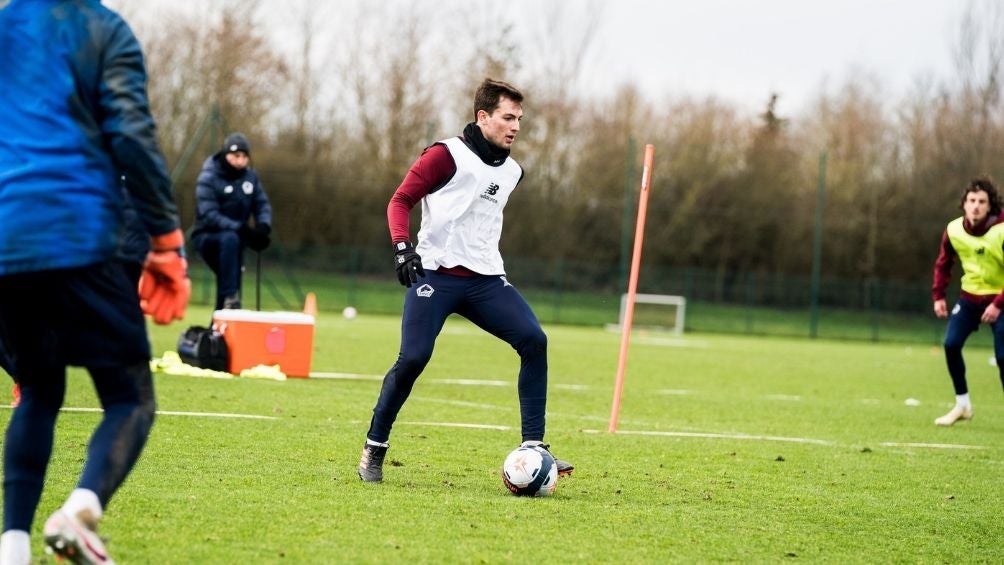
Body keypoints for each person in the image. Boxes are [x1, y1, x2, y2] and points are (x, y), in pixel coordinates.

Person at [0, 1, 191, 563]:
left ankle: (12, 548)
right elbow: (131, 135)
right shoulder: (104, 31)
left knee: (37, 390)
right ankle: (79, 512)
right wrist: (166, 240)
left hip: (7, 240)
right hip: (79, 233)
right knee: (129, 398)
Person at [357, 78, 574, 482]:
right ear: (483, 116)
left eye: (520, 119)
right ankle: (374, 448)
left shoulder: (513, 171)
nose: (516, 127)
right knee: (415, 358)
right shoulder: (445, 155)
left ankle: (534, 445)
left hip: (486, 282)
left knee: (534, 340)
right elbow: (400, 201)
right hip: (435, 277)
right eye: (508, 117)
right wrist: (403, 248)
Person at [931, 176, 1004, 426]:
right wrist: (939, 295)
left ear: (990, 205)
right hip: (970, 298)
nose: (975, 206)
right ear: (964, 204)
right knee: (951, 344)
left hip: (1001, 300)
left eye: (981, 201)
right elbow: (943, 264)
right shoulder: (953, 230)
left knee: (1003, 357)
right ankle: (963, 405)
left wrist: (997, 304)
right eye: (971, 200)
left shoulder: (1001, 230)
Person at [190, 132, 273, 310]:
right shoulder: (208, 178)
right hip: (207, 237)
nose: (240, 160)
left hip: (234, 242)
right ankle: (230, 296)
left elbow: (262, 204)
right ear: (226, 154)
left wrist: (263, 226)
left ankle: (219, 328)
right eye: (236, 156)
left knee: (229, 279)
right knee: (230, 246)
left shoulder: (251, 178)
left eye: (244, 156)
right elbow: (209, 214)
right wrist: (240, 228)